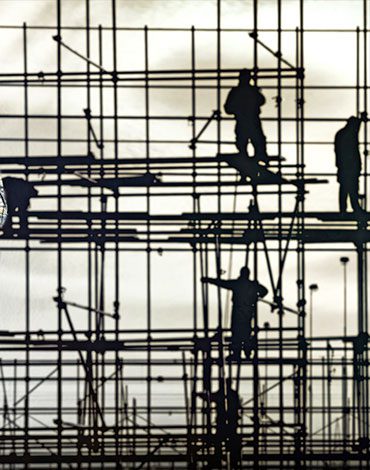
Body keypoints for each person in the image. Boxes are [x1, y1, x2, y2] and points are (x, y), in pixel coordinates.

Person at [201, 267, 268, 361]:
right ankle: (246, 351)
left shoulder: (238, 284)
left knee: (237, 332)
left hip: (238, 311)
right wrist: (256, 295)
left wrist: (208, 280)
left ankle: (237, 353)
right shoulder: (251, 284)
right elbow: (265, 291)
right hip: (248, 311)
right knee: (246, 331)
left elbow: (222, 283)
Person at [224, 68, 268, 164]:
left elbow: (228, 108)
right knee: (254, 141)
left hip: (244, 120)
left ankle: (251, 161)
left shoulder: (236, 92)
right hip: (249, 120)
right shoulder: (247, 91)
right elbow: (261, 101)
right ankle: (256, 160)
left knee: (247, 142)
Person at [198, 378, 243, 469]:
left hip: (223, 423)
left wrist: (200, 395)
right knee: (229, 441)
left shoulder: (222, 394)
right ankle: (232, 459)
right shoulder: (233, 394)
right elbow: (238, 406)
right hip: (231, 423)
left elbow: (210, 397)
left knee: (219, 441)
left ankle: (219, 459)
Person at [334, 113, 367, 213]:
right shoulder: (349, 135)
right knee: (351, 187)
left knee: (345, 187)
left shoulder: (342, 134)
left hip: (345, 166)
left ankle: (344, 208)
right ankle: (354, 207)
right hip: (349, 166)